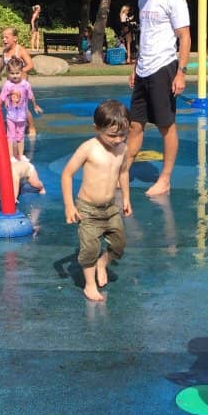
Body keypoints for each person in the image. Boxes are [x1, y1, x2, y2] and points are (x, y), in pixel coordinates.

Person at [126, 0, 191, 197]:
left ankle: (165, 179)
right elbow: (146, 35)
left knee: (166, 125)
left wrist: (181, 73)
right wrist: (135, 68)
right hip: (143, 69)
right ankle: (124, 170)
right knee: (134, 125)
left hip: (164, 68)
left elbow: (184, 36)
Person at [60, 99, 132, 302]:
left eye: (122, 134)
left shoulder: (122, 149)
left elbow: (124, 172)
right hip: (88, 210)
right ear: (97, 128)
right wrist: (69, 205)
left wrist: (126, 197)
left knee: (119, 245)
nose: (118, 139)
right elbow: (67, 174)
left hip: (111, 208)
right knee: (90, 248)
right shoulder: (88, 148)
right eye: (112, 135)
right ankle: (90, 286)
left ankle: (103, 263)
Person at [0, 57, 43, 159]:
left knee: (20, 137)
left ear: (21, 72)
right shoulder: (7, 85)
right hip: (10, 116)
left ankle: (21, 155)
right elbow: (1, 97)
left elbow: (31, 96)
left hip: (22, 117)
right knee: (11, 136)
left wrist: (35, 106)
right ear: (8, 73)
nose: (15, 76)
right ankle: (11, 156)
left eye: (17, 73)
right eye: (12, 73)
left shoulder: (25, 85)